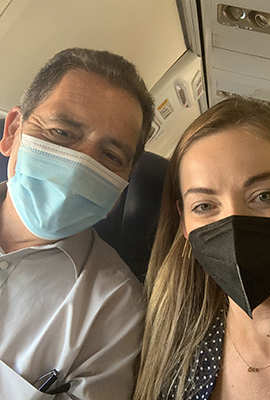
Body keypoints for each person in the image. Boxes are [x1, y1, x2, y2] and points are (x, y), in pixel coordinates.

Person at [0, 47, 154, 399]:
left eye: (111, 156)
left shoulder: (116, 308)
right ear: (12, 132)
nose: (79, 166)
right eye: (62, 133)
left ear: (122, 186)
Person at [134, 97, 270, 400]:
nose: (234, 224)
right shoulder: (174, 358)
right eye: (205, 205)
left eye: (264, 196)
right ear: (184, 224)